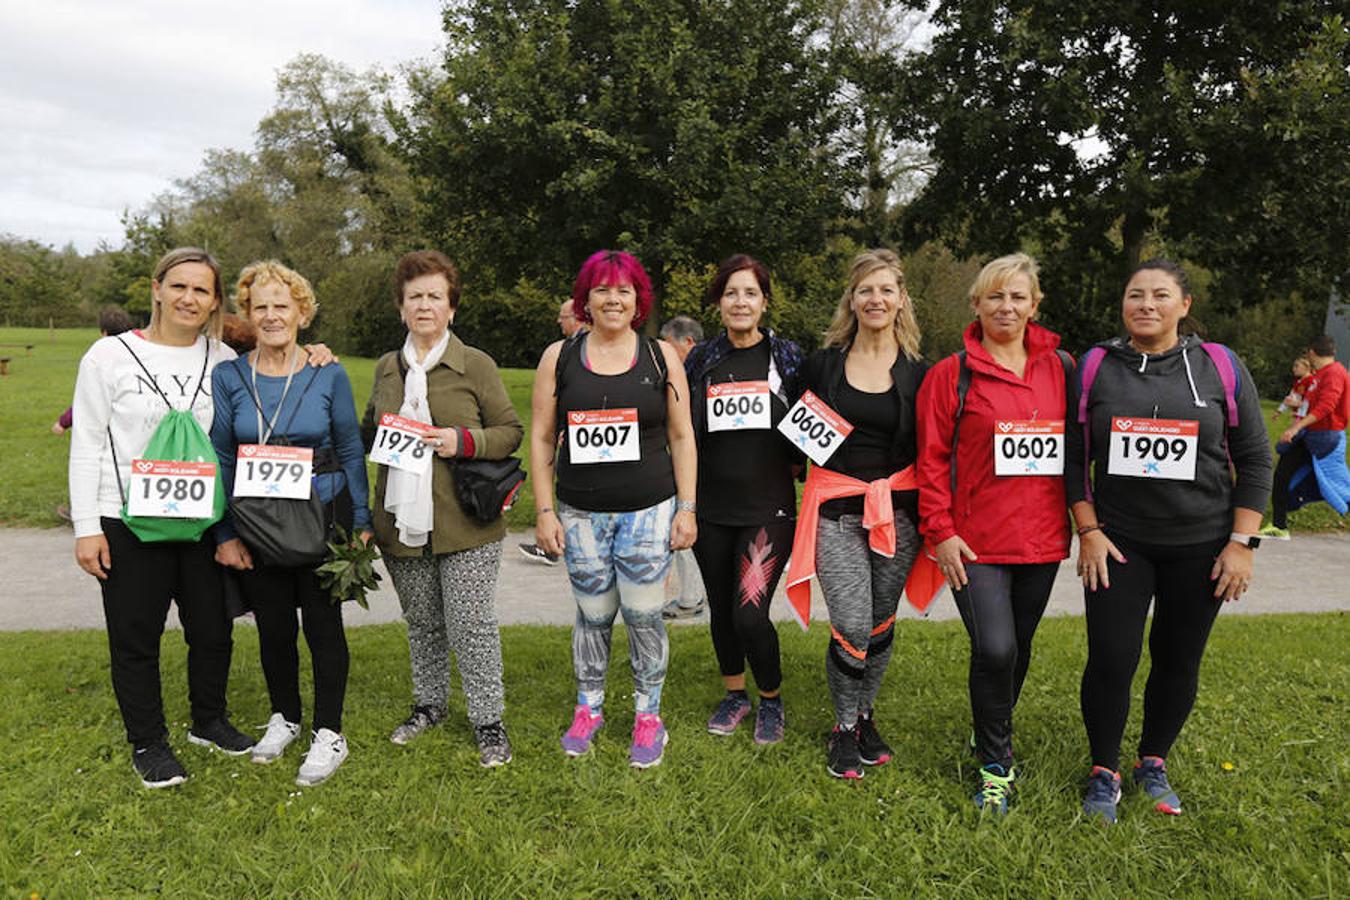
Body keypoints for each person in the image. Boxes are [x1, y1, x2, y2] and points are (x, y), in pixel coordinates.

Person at [1068, 258, 1272, 823]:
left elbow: (1256, 459)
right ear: (1122, 304)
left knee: (1178, 658)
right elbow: (1074, 457)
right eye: (1136, 294)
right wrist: (1088, 530)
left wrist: (1242, 543)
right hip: (1118, 543)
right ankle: (1103, 770)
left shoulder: (1219, 366)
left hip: (1202, 544)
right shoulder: (1095, 366)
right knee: (1112, 658)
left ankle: (1152, 762)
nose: (1146, 305)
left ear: (1184, 305)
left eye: (1160, 295)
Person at [68, 248, 256, 788]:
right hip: (127, 520)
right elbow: (86, 444)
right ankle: (148, 742)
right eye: (178, 286)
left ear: (215, 302)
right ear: (156, 289)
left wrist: (315, 352)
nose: (188, 298)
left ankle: (209, 721)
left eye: (201, 290)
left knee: (213, 629)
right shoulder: (108, 357)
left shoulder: (223, 359)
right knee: (136, 636)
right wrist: (87, 528)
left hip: (202, 520)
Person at [916, 253, 1071, 813]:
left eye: (1018, 297)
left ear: (1035, 305)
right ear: (976, 304)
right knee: (995, 647)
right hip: (973, 542)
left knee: (1018, 648)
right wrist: (940, 531)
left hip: (1042, 538)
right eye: (995, 296)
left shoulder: (1063, 368)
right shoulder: (950, 374)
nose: (1007, 306)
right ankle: (995, 766)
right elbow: (931, 459)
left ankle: (989, 728)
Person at [530, 249, 697, 768]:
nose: (613, 299)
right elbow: (541, 437)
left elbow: (682, 435)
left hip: (649, 508)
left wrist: (687, 507)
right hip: (581, 513)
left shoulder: (660, 357)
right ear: (586, 298)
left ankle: (649, 716)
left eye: (624, 290)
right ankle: (589, 708)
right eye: (602, 289)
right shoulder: (559, 357)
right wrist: (544, 511)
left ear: (638, 299)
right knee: (594, 615)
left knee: (644, 616)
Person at [210, 261, 372, 786]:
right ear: (247, 314)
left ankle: (329, 731)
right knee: (273, 625)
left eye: (282, 305)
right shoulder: (230, 376)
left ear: (302, 312)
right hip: (256, 520)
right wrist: (224, 532)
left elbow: (350, 448)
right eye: (260, 307)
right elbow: (222, 455)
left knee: (323, 625)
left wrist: (361, 519)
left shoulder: (328, 372)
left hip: (322, 516)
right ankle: (285, 716)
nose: (272, 315)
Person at [363, 250, 524, 767]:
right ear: (401, 307)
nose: (424, 305)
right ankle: (429, 705)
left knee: (471, 623)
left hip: (466, 522)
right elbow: (369, 432)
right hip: (401, 522)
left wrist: (463, 441)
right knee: (423, 623)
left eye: (435, 296)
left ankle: (488, 720)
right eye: (415, 297)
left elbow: (510, 431)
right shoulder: (387, 368)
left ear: (451, 308)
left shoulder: (474, 364)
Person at [784, 248, 930, 779]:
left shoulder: (920, 373)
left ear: (901, 299)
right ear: (852, 299)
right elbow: (794, 432)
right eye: (866, 289)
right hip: (836, 512)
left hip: (899, 514)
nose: (876, 298)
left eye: (886, 289)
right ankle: (843, 727)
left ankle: (865, 715)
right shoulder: (822, 365)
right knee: (850, 623)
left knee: (881, 621)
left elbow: (935, 447)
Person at [684, 255, 803, 743]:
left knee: (749, 612)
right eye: (731, 293)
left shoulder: (787, 358)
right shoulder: (701, 360)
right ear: (718, 302)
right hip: (711, 508)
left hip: (768, 508)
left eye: (750, 293)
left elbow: (816, 420)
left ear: (764, 301)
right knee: (721, 610)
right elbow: (680, 429)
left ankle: (771, 699)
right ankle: (735, 694)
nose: (740, 302)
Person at [520, 300, 589, 567]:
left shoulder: (574, 350)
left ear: (578, 317)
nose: (560, 321)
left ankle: (553, 545)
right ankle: (553, 542)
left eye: (563, 317)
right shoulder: (562, 352)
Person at [1261, 335, 1350, 540]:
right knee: (1286, 473)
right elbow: (1314, 405)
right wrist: (1297, 412)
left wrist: (1296, 428)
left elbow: (1326, 407)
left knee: (1335, 483)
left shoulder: (1333, 373)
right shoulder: (1321, 375)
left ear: (1312, 352)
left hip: (1323, 438)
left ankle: (1279, 525)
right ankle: (1279, 525)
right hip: (1313, 435)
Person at [659, 314, 709, 620]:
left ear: (687, 342)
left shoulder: (692, 373)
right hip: (702, 462)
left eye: (668, 345)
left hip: (696, 463)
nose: (664, 352)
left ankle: (691, 597)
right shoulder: (707, 368)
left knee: (683, 521)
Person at [1270, 356, 1313, 422]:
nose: (1293, 369)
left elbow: (1310, 401)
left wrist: (1296, 405)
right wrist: (1279, 411)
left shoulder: (1312, 381)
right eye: (1294, 366)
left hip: (1307, 418)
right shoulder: (1298, 382)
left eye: (1296, 366)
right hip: (1298, 416)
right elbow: (1290, 398)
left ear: (1306, 367)